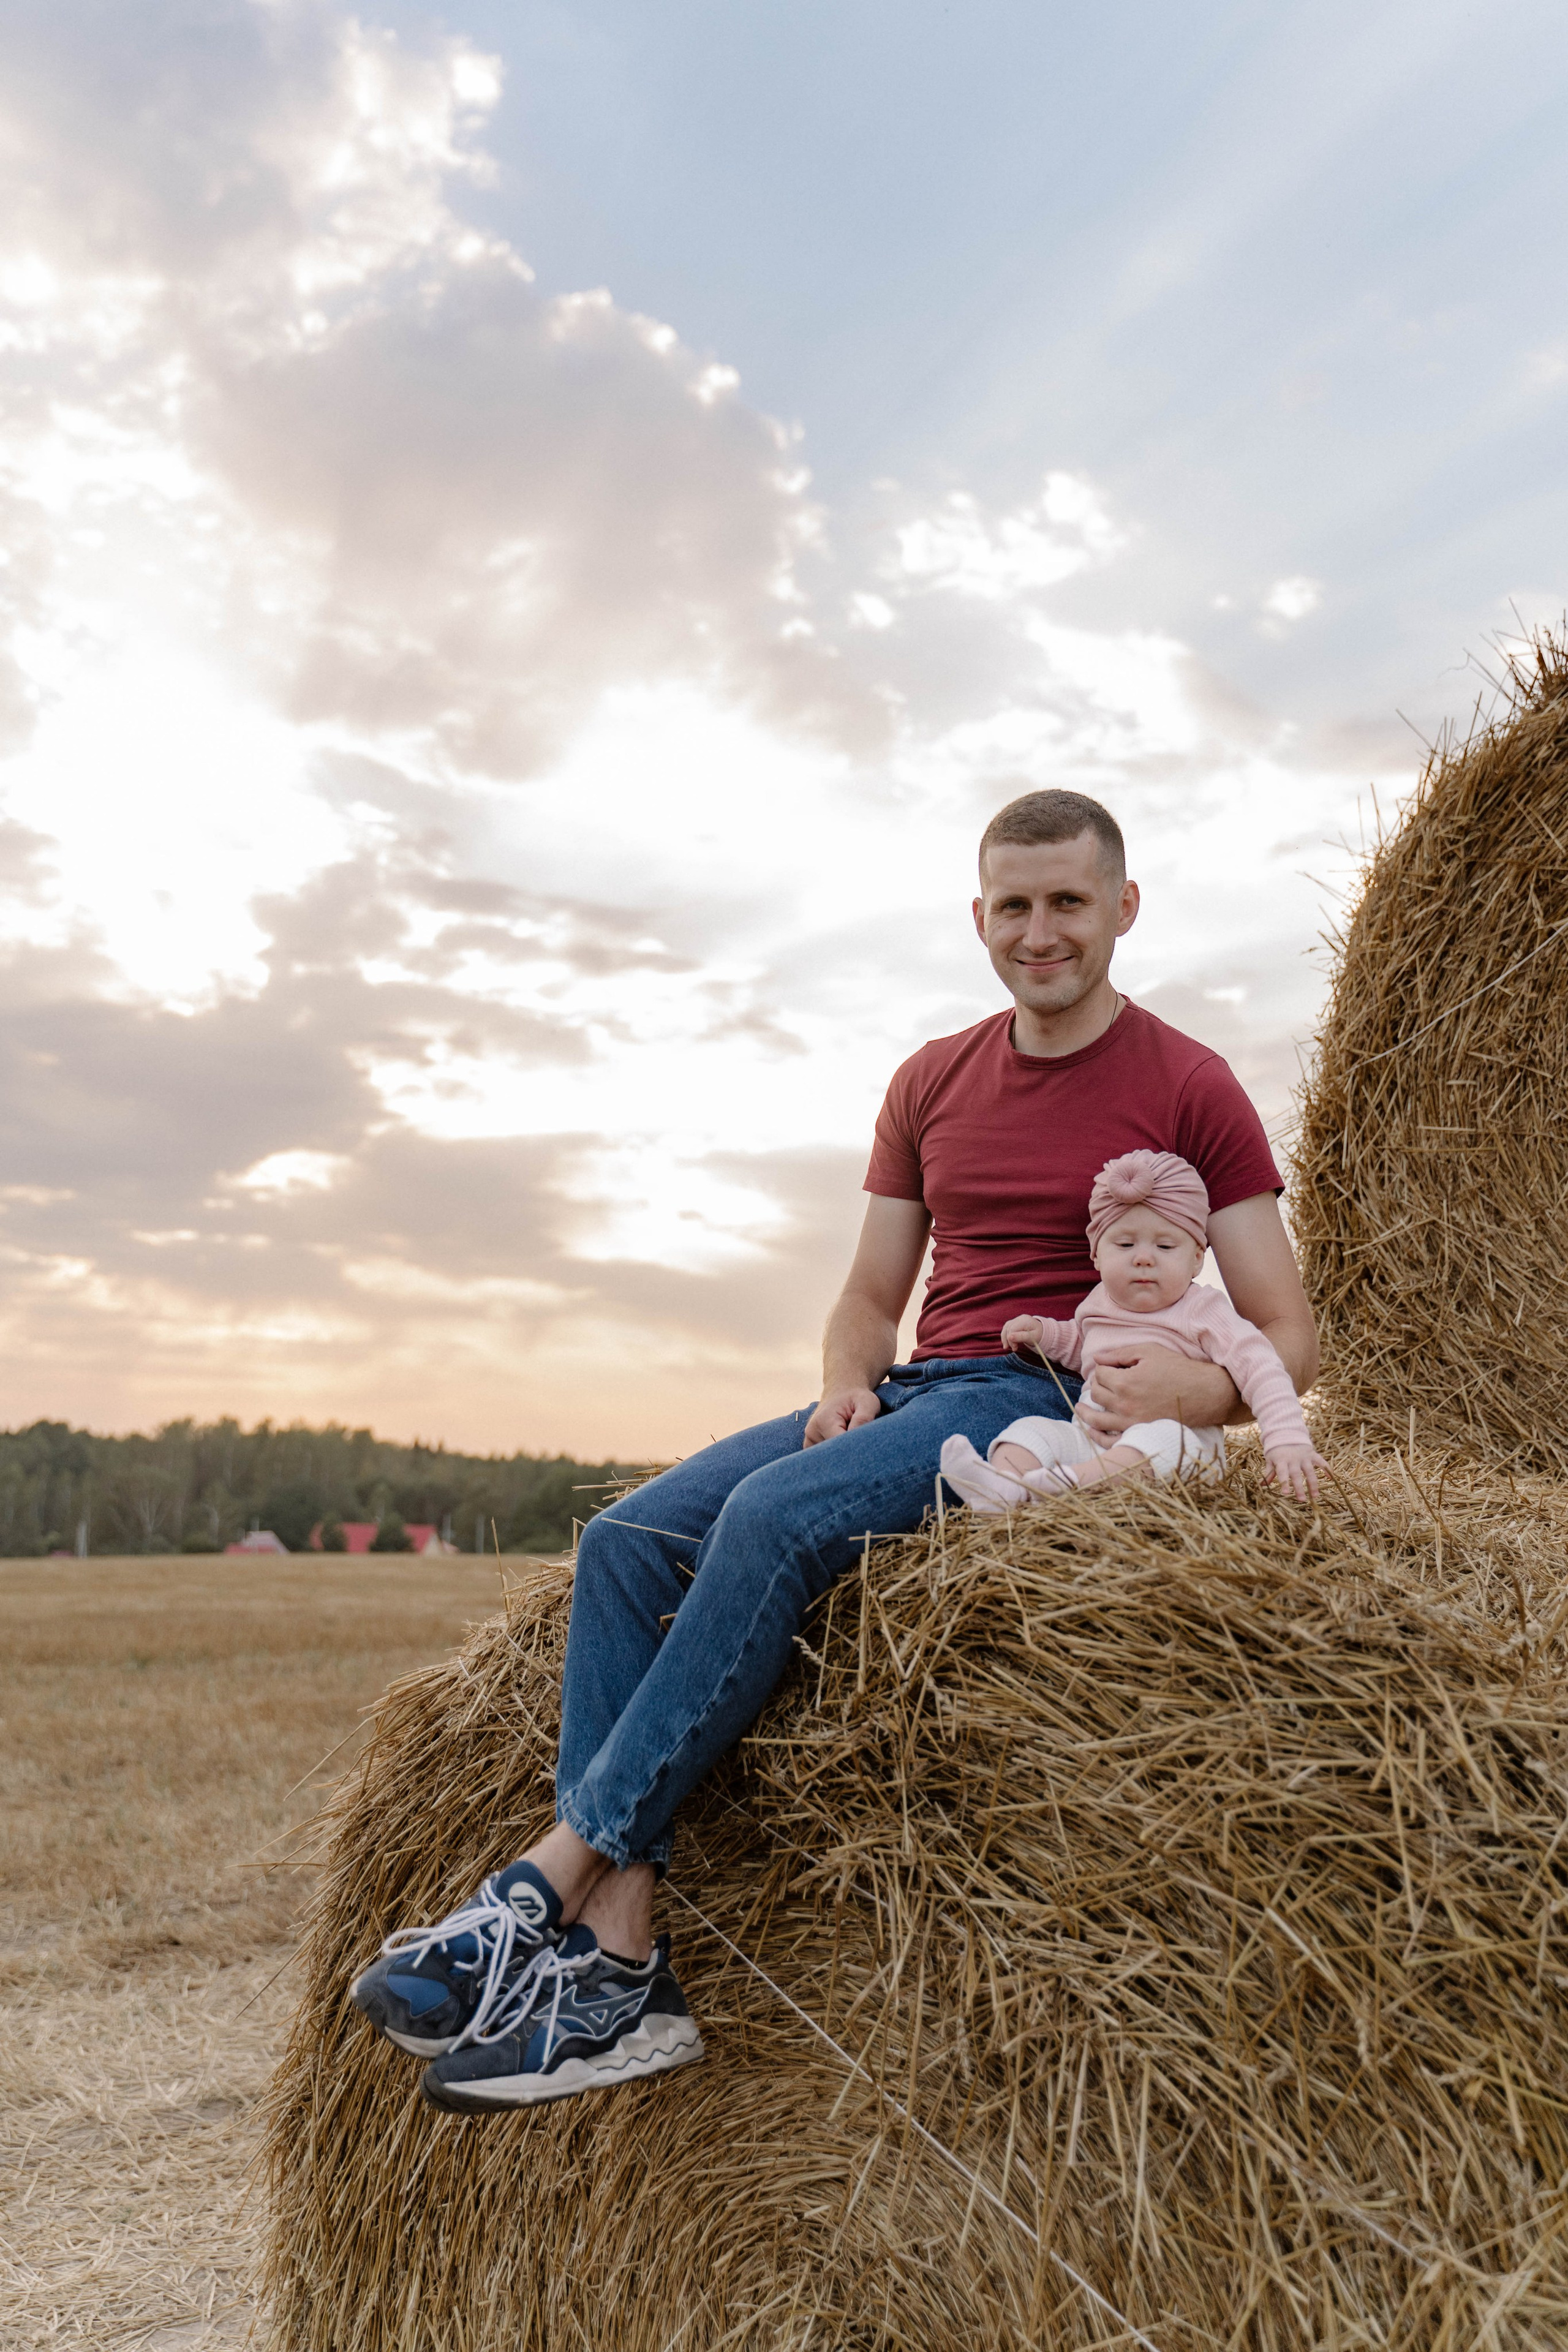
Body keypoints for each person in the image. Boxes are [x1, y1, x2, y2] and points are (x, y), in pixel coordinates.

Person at [349, 787, 1319, 2114]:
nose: (1040, 933)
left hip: (1032, 1396)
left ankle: (541, 1888)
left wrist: (1197, 1391)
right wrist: (841, 1381)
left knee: (768, 1523)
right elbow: (870, 1291)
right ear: (980, 916)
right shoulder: (929, 1078)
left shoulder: (1187, 1083)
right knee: (624, 1540)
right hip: (918, 1386)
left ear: (1121, 910)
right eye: (1015, 906)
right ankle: (620, 1963)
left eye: (1068, 905)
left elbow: (1286, 1328)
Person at [938, 1147, 1325, 1509]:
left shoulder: (1202, 1310)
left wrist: (1286, 1440)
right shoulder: (1098, 1303)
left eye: (1165, 1247)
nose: (1143, 1258)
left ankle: (1057, 1487)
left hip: (1180, 1447)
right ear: (1096, 1256)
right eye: (1125, 1245)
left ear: (1195, 1260)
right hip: (1092, 1439)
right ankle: (1002, 1486)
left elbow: (1261, 1366)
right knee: (1029, 1432)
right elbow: (1084, 1347)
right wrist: (1044, 1335)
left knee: (1155, 1442)